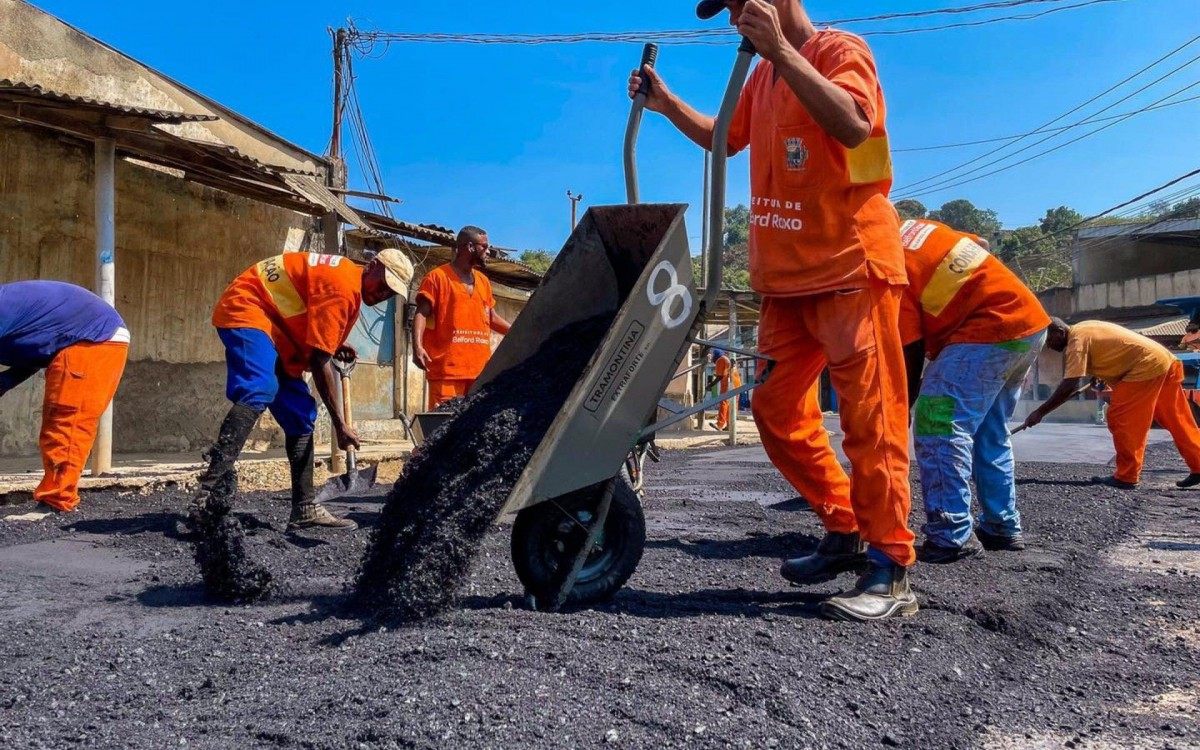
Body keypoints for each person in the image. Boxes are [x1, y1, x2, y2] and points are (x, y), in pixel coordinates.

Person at [631, 0, 916, 621]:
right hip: (787, 280)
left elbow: (855, 124)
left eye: (738, 3)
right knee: (776, 410)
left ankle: (890, 566)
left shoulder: (839, 51)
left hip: (850, 266)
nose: (733, 18)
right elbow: (723, 138)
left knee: (871, 420)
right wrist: (666, 103)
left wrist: (783, 53)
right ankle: (844, 524)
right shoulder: (760, 76)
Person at [196, 249, 414, 530]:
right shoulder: (343, 287)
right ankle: (209, 491)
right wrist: (340, 425)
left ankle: (304, 509)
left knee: (300, 414)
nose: (383, 293)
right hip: (249, 305)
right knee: (260, 386)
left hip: (278, 324)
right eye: (383, 284)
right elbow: (319, 361)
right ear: (372, 266)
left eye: (390, 292)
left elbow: (309, 317)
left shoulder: (346, 281)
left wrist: (333, 344)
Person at [897, 219, 1051, 563]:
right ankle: (1001, 525)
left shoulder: (887, 262)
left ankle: (950, 533)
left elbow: (910, 347)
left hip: (987, 329)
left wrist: (903, 405)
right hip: (1027, 324)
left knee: (938, 422)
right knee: (988, 431)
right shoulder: (919, 228)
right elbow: (980, 243)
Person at [1020, 318, 1200, 489]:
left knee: (1121, 419)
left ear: (1059, 332)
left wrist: (1040, 412)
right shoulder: (1084, 328)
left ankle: (1127, 476)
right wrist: (1099, 374)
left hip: (1145, 367)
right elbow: (1112, 351)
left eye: (1049, 340)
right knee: (1177, 420)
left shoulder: (1076, 342)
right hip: (1164, 361)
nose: (1049, 346)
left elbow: (1070, 384)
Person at [0, 281, 130, 513]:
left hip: (93, 339)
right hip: (77, 338)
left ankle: (57, 502)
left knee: (66, 422)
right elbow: (34, 351)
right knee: (59, 421)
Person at [412, 226, 512, 410]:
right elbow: (421, 313)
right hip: (447, 373)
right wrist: (417, 347)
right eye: (484, 246)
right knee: (443, 424)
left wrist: (516, 331)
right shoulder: (437, 277)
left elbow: (491, 316)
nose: (488, 252)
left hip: (480, 373)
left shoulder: (483, 281)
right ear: (470, 247)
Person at [709, 349, 743, 430]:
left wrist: (710, 385)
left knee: (723, 402)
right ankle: (730, 425)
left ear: (716, 355)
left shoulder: (720, 360)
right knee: (732, 404)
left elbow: (719, 376)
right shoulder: (727, 359)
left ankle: (719, 424)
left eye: (712, 356)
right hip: (737, 384)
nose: (712, 358)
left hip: (728, 384)